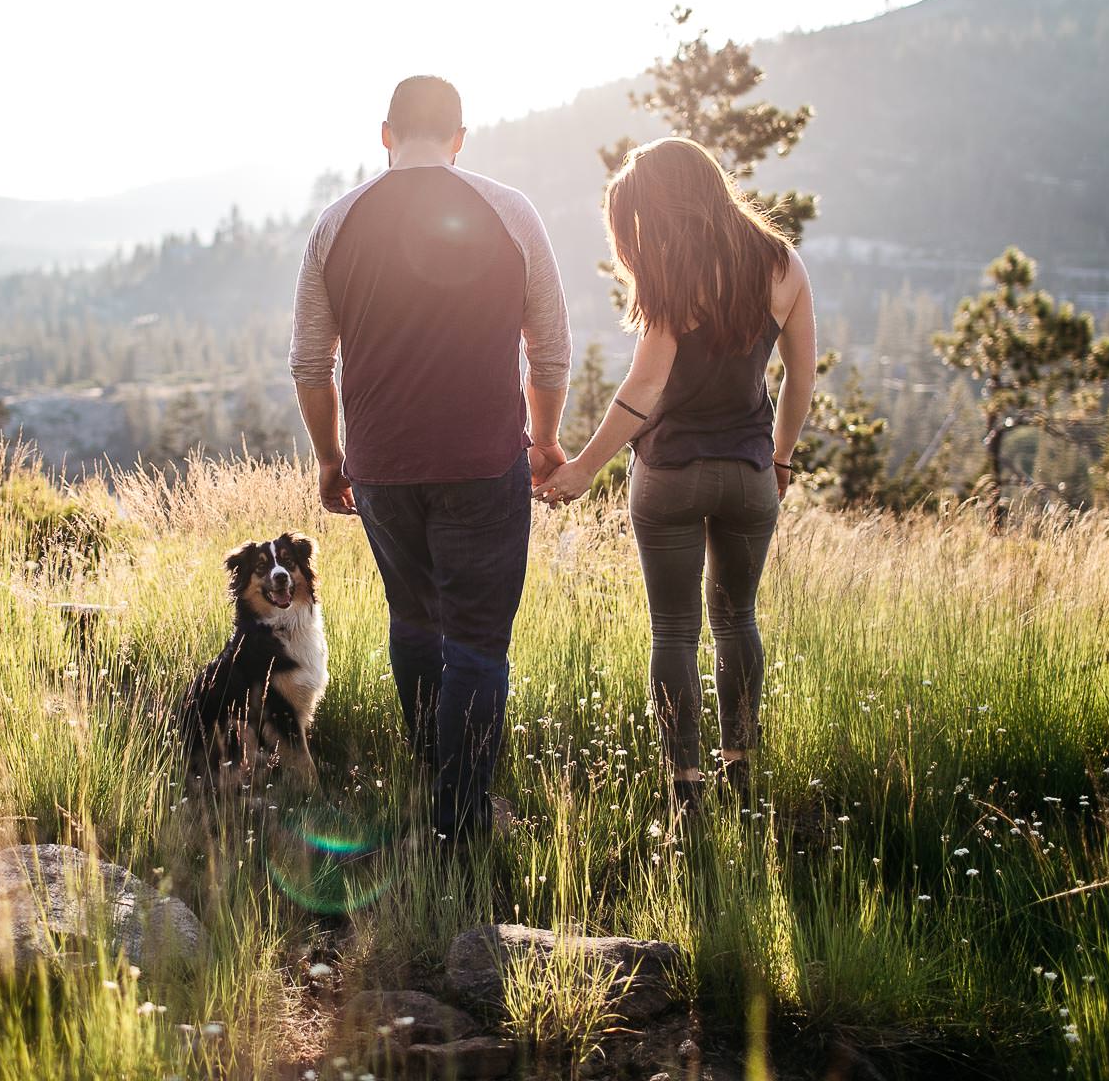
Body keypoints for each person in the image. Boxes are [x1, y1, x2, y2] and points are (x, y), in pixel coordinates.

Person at [290, 75, 571, 841]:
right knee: (478, 641)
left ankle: (428, 783)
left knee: (414, 622)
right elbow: (549, 348)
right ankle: (462, 823)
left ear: (386, 133)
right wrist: (544, 440)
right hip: (485, 462)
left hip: (381, 467)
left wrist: (330, 459)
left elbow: (310, 365)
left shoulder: (335, 225)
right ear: (458, 138)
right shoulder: (511, 212)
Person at [535, 136, 816, 816]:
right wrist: (779, 457)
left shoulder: (677, 273)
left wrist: (582, 469)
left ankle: (685, 785)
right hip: (750, 474)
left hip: (670, 477)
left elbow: (644, 389)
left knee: (673, 631)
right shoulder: (782, 263)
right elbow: (802, 375)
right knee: (738, 620)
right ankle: (741, 768)